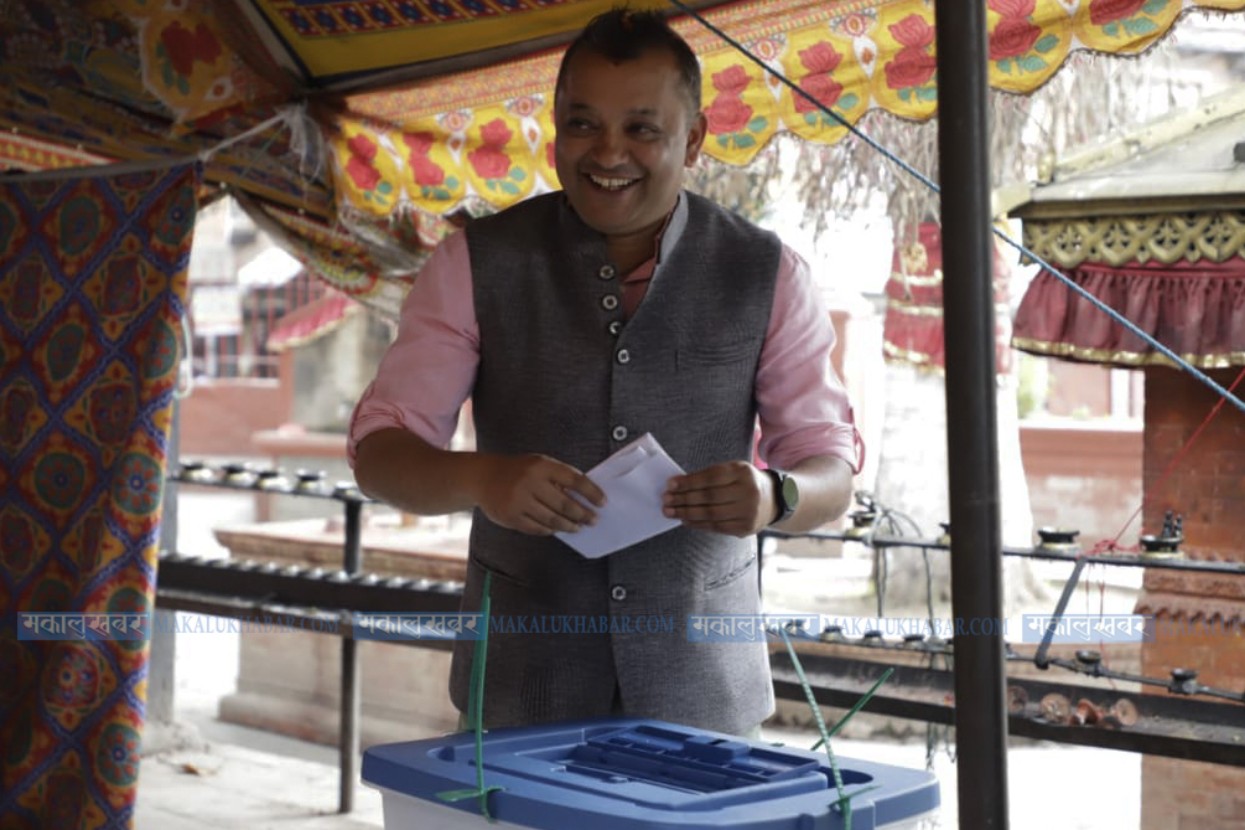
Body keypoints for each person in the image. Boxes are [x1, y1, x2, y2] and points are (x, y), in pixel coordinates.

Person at [348, 7, 860, 738]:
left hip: (703, 698)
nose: (606, 153)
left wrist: (775, 494)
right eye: (582, 124)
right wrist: (482, 479)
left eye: (642, 129)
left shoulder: (765, 273)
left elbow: (829, 468)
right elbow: (381, 454)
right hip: (519, 696)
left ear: (693, 140)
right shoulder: (474, 264)